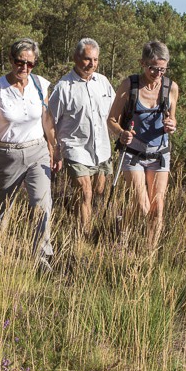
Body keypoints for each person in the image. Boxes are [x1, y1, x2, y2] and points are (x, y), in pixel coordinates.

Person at [0, 38, 61, 271]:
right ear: (11, 61)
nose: (24, 68)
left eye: (30, 63)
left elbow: (47, 119)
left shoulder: (40, 85)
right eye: (19, 62)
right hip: (7, 153)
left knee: (42, 203)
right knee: (2, 205)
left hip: (38, 151)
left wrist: (54, 149)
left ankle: (41, 256)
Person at [108, 41, 179, 253]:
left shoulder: (170, 87)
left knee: (157, 209)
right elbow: (112, 119)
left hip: (159, 153)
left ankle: (148, 253)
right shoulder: (129, 86)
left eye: (162, 69)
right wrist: (121, 133)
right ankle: (124, 237)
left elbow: (172, 119)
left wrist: (172, 125)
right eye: (153, 68)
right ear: (142, 63)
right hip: (133, 153)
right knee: (142, 205)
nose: (158, 73)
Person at [48, 38, 116, 240]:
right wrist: (55, 150)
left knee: (98, 191)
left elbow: (114, 112)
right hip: (75, 147)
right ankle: (85, 236)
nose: (91, 64)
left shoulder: (103, 82)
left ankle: (73, 207)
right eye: (87, 59)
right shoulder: (63, 87)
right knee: (85, 191)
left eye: (95, 60)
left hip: (102, 148)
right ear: (76, 58)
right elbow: (49, 121)